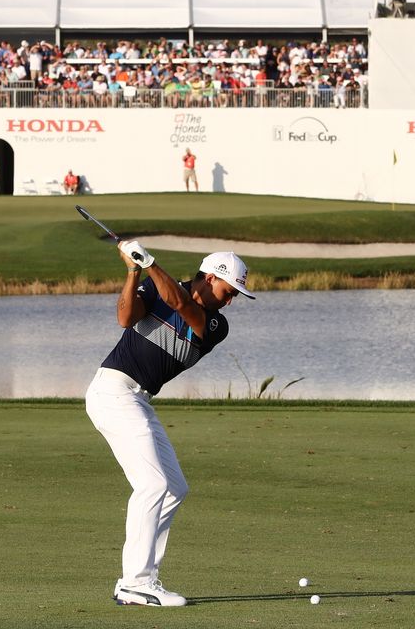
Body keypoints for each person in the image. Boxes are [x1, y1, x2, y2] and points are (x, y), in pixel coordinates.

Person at [86, 241, 255, 607]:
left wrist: (149, 262)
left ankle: (140, 577)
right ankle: (136, 582)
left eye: (234, 297)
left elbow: (181, 304)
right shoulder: (154, 286)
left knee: (174, 488)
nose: (229, 302)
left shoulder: (215, 324)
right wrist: (134, 270)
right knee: (153, 484)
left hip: (137, 400)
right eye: (228, 292)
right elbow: (125, 318)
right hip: (112, 391)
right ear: (210, 278)